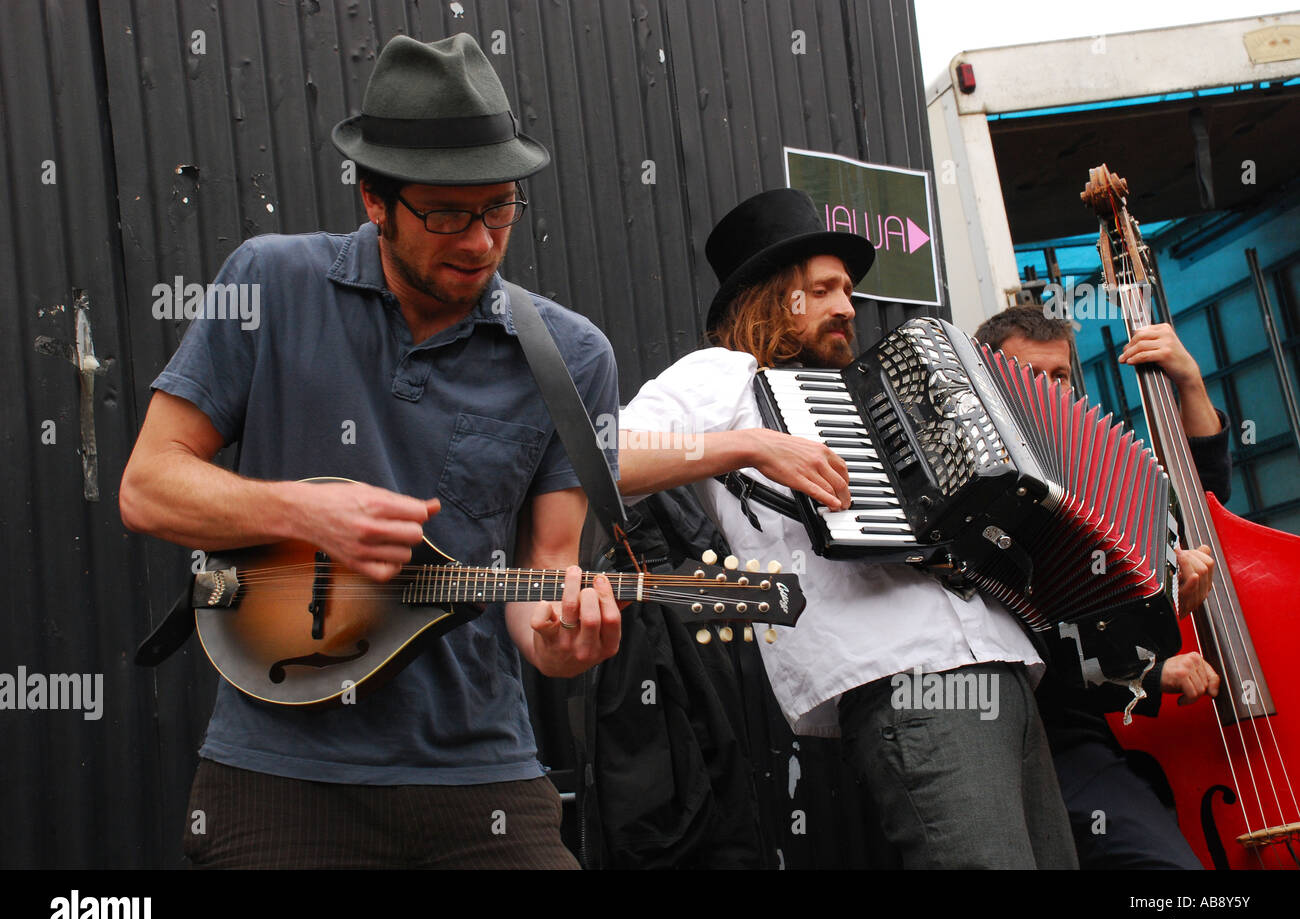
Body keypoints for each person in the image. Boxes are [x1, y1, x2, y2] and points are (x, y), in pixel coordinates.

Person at [118, 33, 622, 869]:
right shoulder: (270, 284)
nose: (480, 242)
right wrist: (301, 510)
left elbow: (548, 575)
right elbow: (147, 487)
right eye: (448, 213)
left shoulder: (572, 358)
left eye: (500, 208)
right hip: (278, 768)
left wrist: (561, 642)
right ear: (375, 200)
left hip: (480, 771)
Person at [616, 188, 1078, 869]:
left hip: (1001, 667)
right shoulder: (720, 377)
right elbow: (606, 459)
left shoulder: (867, 392)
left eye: (850, 292)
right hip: (907, 677)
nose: (847, 307)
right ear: (772, 297)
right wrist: (748, 446)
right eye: (824, 290)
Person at [973, 304, 1226, 869]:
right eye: (1027, 378)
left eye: (1058, 377)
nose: (1048, 391)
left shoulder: (1093, 462)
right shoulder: (972, 478)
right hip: (1030, 722)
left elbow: (1202, 509)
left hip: (1097, 730)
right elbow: (1018, 631)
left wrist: (1190, 381)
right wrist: (1151, 671)